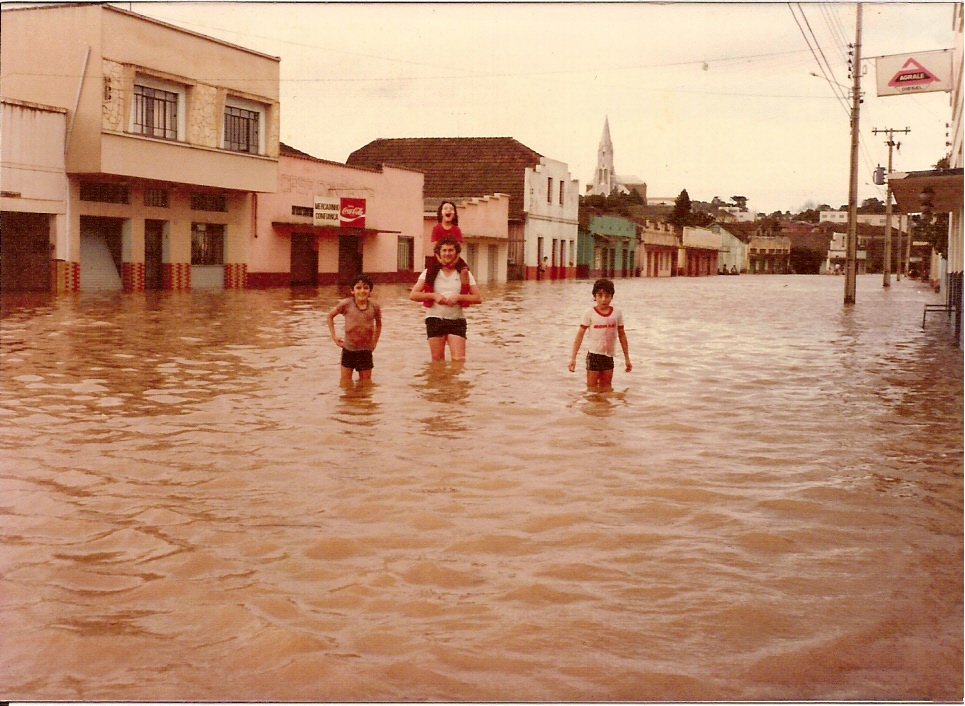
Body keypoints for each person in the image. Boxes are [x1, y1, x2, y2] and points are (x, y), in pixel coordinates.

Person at [409, 237, 483, 362]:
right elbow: (413, 295)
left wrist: (459, 297)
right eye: (444, 250)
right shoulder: (429, 272)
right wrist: (434, 296)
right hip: (434, 319)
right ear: (438, 253)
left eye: (450, 250)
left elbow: (478, 298)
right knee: (437, 363)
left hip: (456, 320)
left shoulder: (464, 273)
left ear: (457, 253)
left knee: (459, 361)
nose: (447, 253)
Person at [568, 278, 632, 388]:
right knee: (591, 389)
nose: (603, 299)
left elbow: (622, 335)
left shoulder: (617, 313)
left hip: (608, 356)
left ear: (612, 296)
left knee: (607, 388)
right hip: (594, 356)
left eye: (607, 296)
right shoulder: (589, 313)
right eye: (600, 295)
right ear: (594, 296)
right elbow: (579, 336)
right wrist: (573, 358)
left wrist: (627, 358)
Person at [327, 274, 382, 382]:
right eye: (358, 288)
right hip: (348, 349)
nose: (362, 291)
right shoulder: (346, 304)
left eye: (366, 288)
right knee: (345, 384)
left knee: (366, 385)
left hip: (366, 351)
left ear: (370, 291)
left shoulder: (374, 307)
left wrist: (374, 342)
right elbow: (330, 316)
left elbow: (379, 324)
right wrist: (334, 337)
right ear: (352, 291)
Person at [423, 200, 471, 307]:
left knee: (464, 271)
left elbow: (458, 248)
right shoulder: (436, 228)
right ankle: (428, 297)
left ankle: (464, 296)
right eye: (445, 208)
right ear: (441, 213)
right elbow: (435, 247)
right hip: (438, 257)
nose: (448, 210)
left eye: (451, 209)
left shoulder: (457, 230)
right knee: (429, 272)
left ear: (454, 214)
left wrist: (454, 261)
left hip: (455, 257)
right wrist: (440, 260)